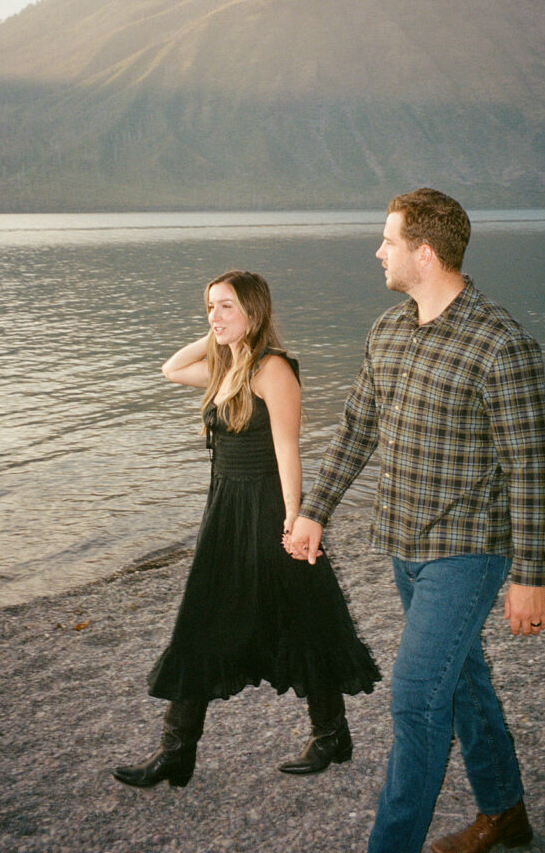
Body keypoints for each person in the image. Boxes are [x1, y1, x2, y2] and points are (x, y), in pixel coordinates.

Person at [287, 189, 545, 853]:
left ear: (424, 253)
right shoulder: (387, 330)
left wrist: (531, 575)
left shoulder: (500, 344)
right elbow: (356, 430)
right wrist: (314, 511)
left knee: (414, 701)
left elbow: (529, 468)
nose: (377, 250)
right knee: (460, 679)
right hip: (402, 544)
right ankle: (504, 813)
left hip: (468, 552)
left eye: (387, 240)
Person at [112, 269, 380, 790]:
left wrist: (296, 520)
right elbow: (171, 369)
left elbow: (287, 449)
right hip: (225, 513)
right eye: (210, 306)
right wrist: (220, 333)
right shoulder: (225, 367)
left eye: (227, 306)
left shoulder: (272, 368)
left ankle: (330, 735)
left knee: (302, 617)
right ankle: (177, 751)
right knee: (202, 621)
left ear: (254, 312)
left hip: (266, 511)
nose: (214, 316)